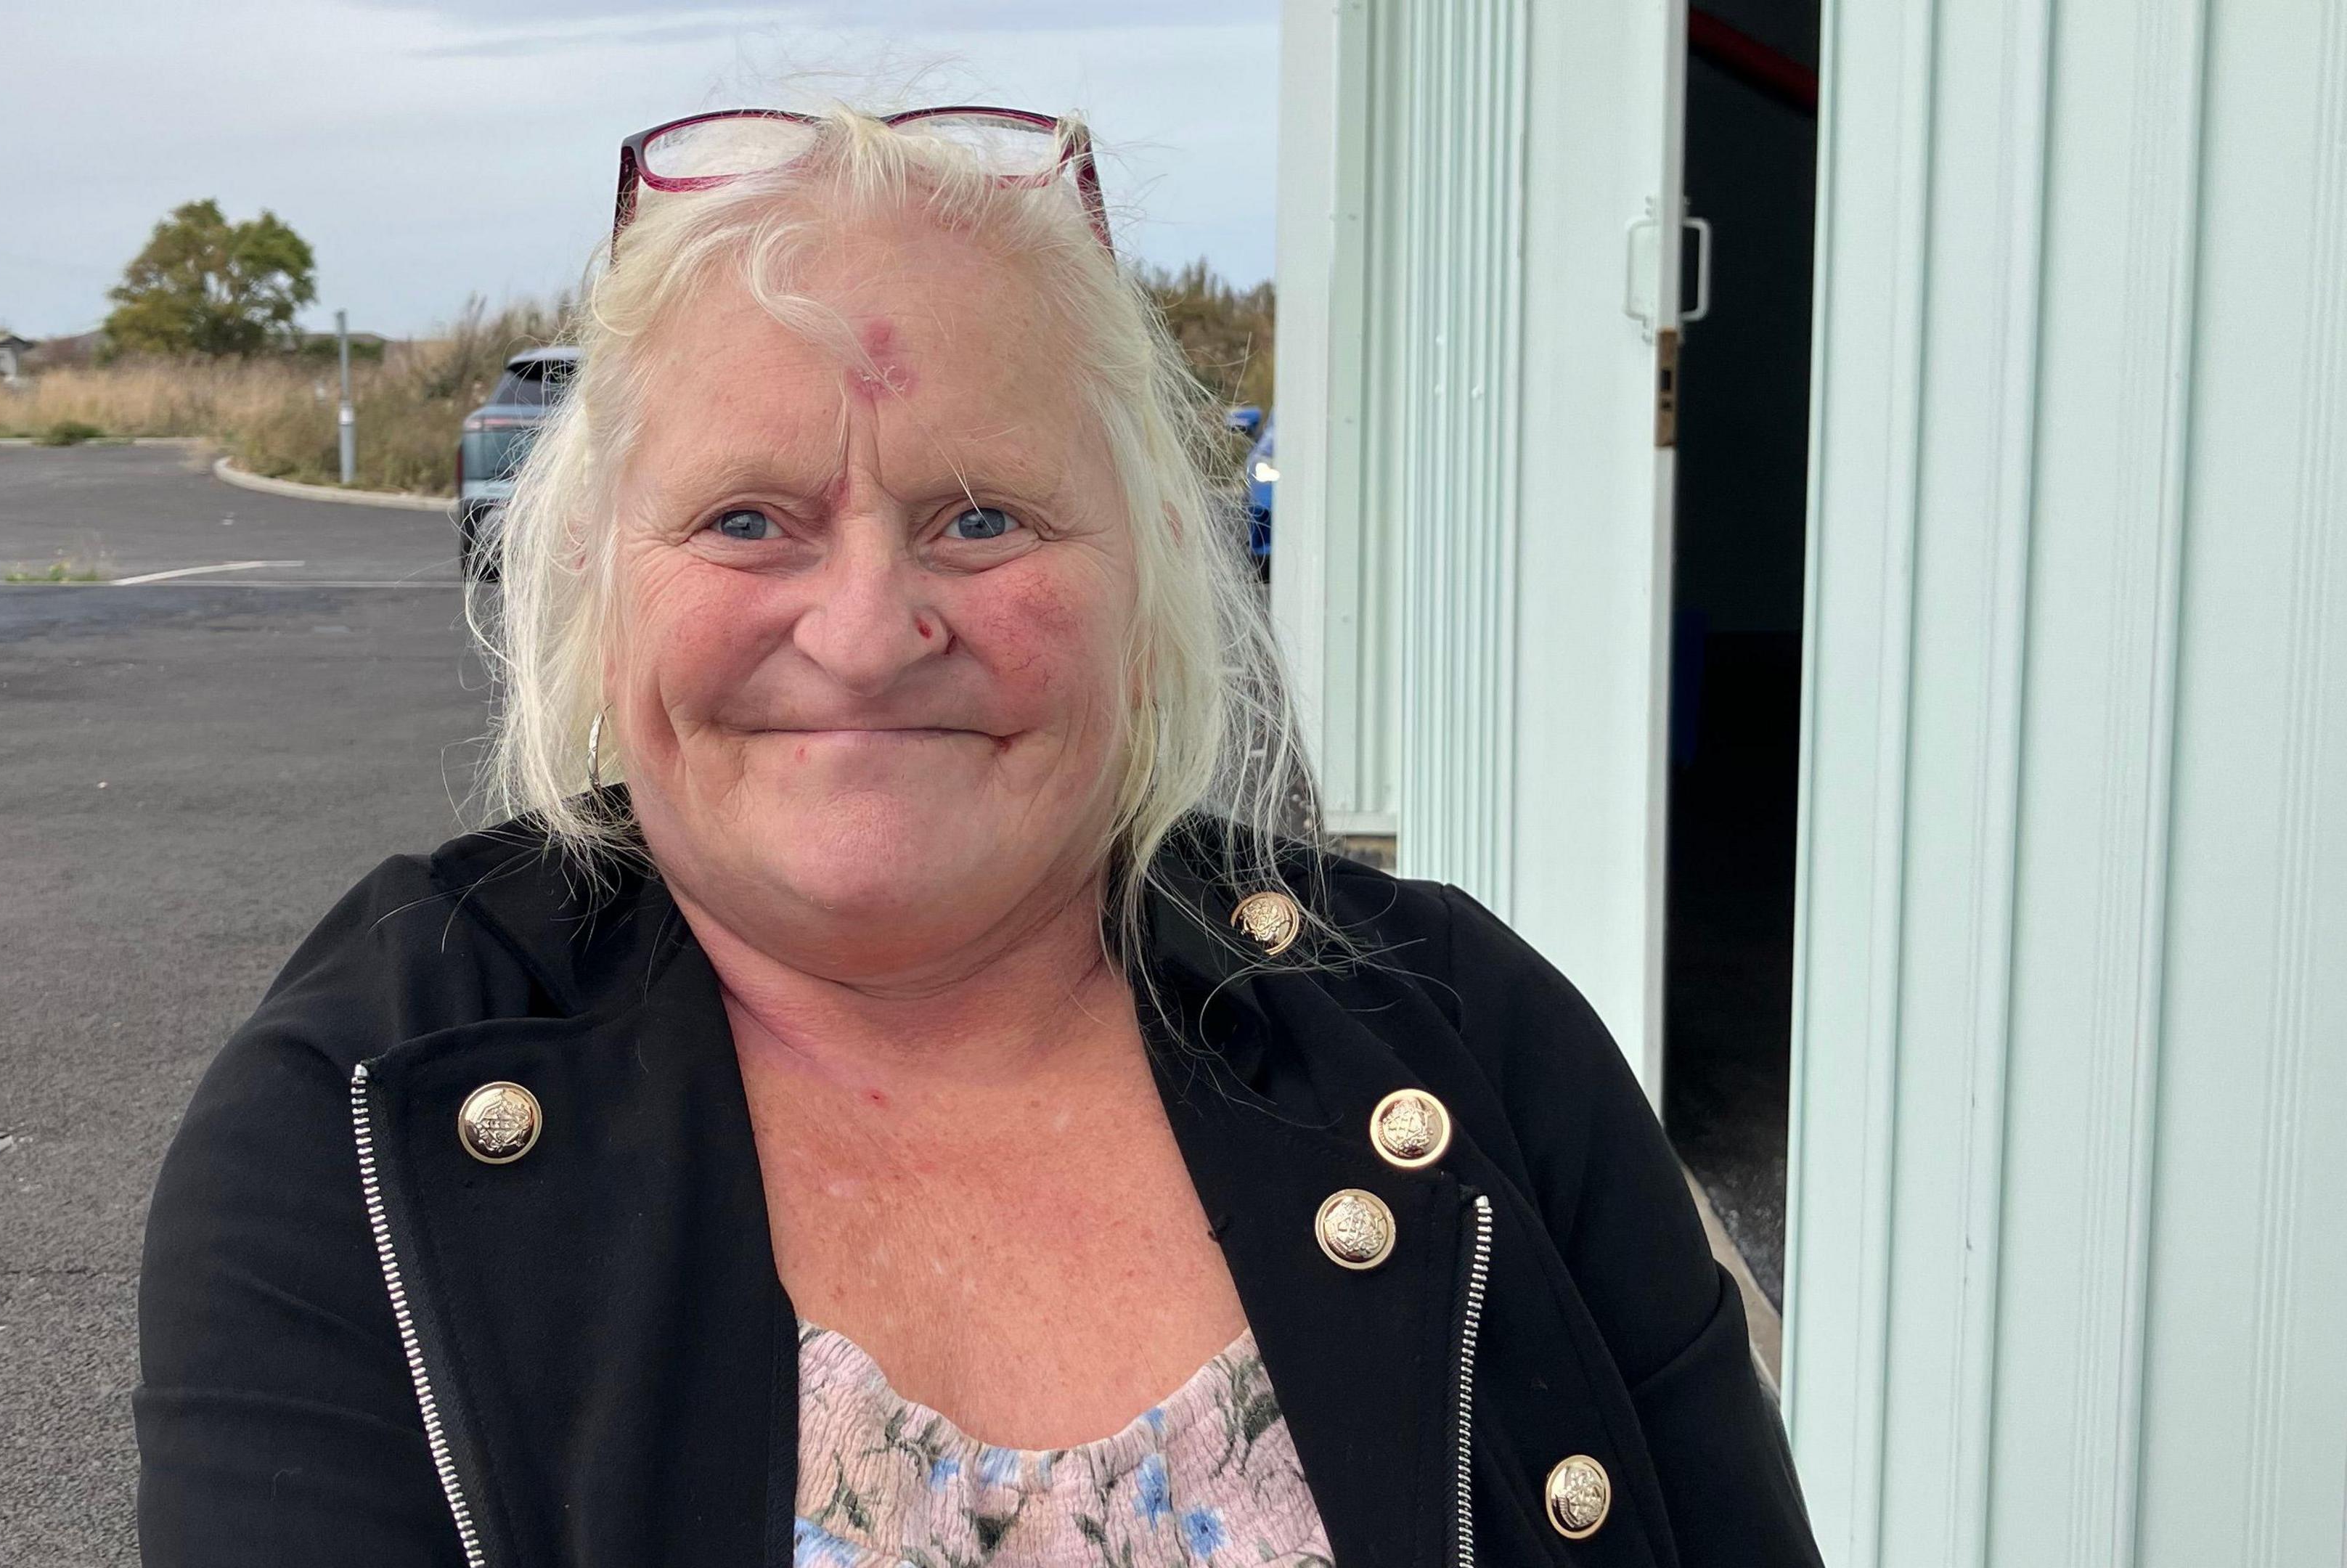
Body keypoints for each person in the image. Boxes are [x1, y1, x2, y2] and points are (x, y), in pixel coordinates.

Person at [134, 103, 1821, 1568]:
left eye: (982, 515)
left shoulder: (1466, 1029)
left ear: (1147, 578)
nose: (868, 630)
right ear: (594, 584)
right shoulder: (359, 1119)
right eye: (746, 520)